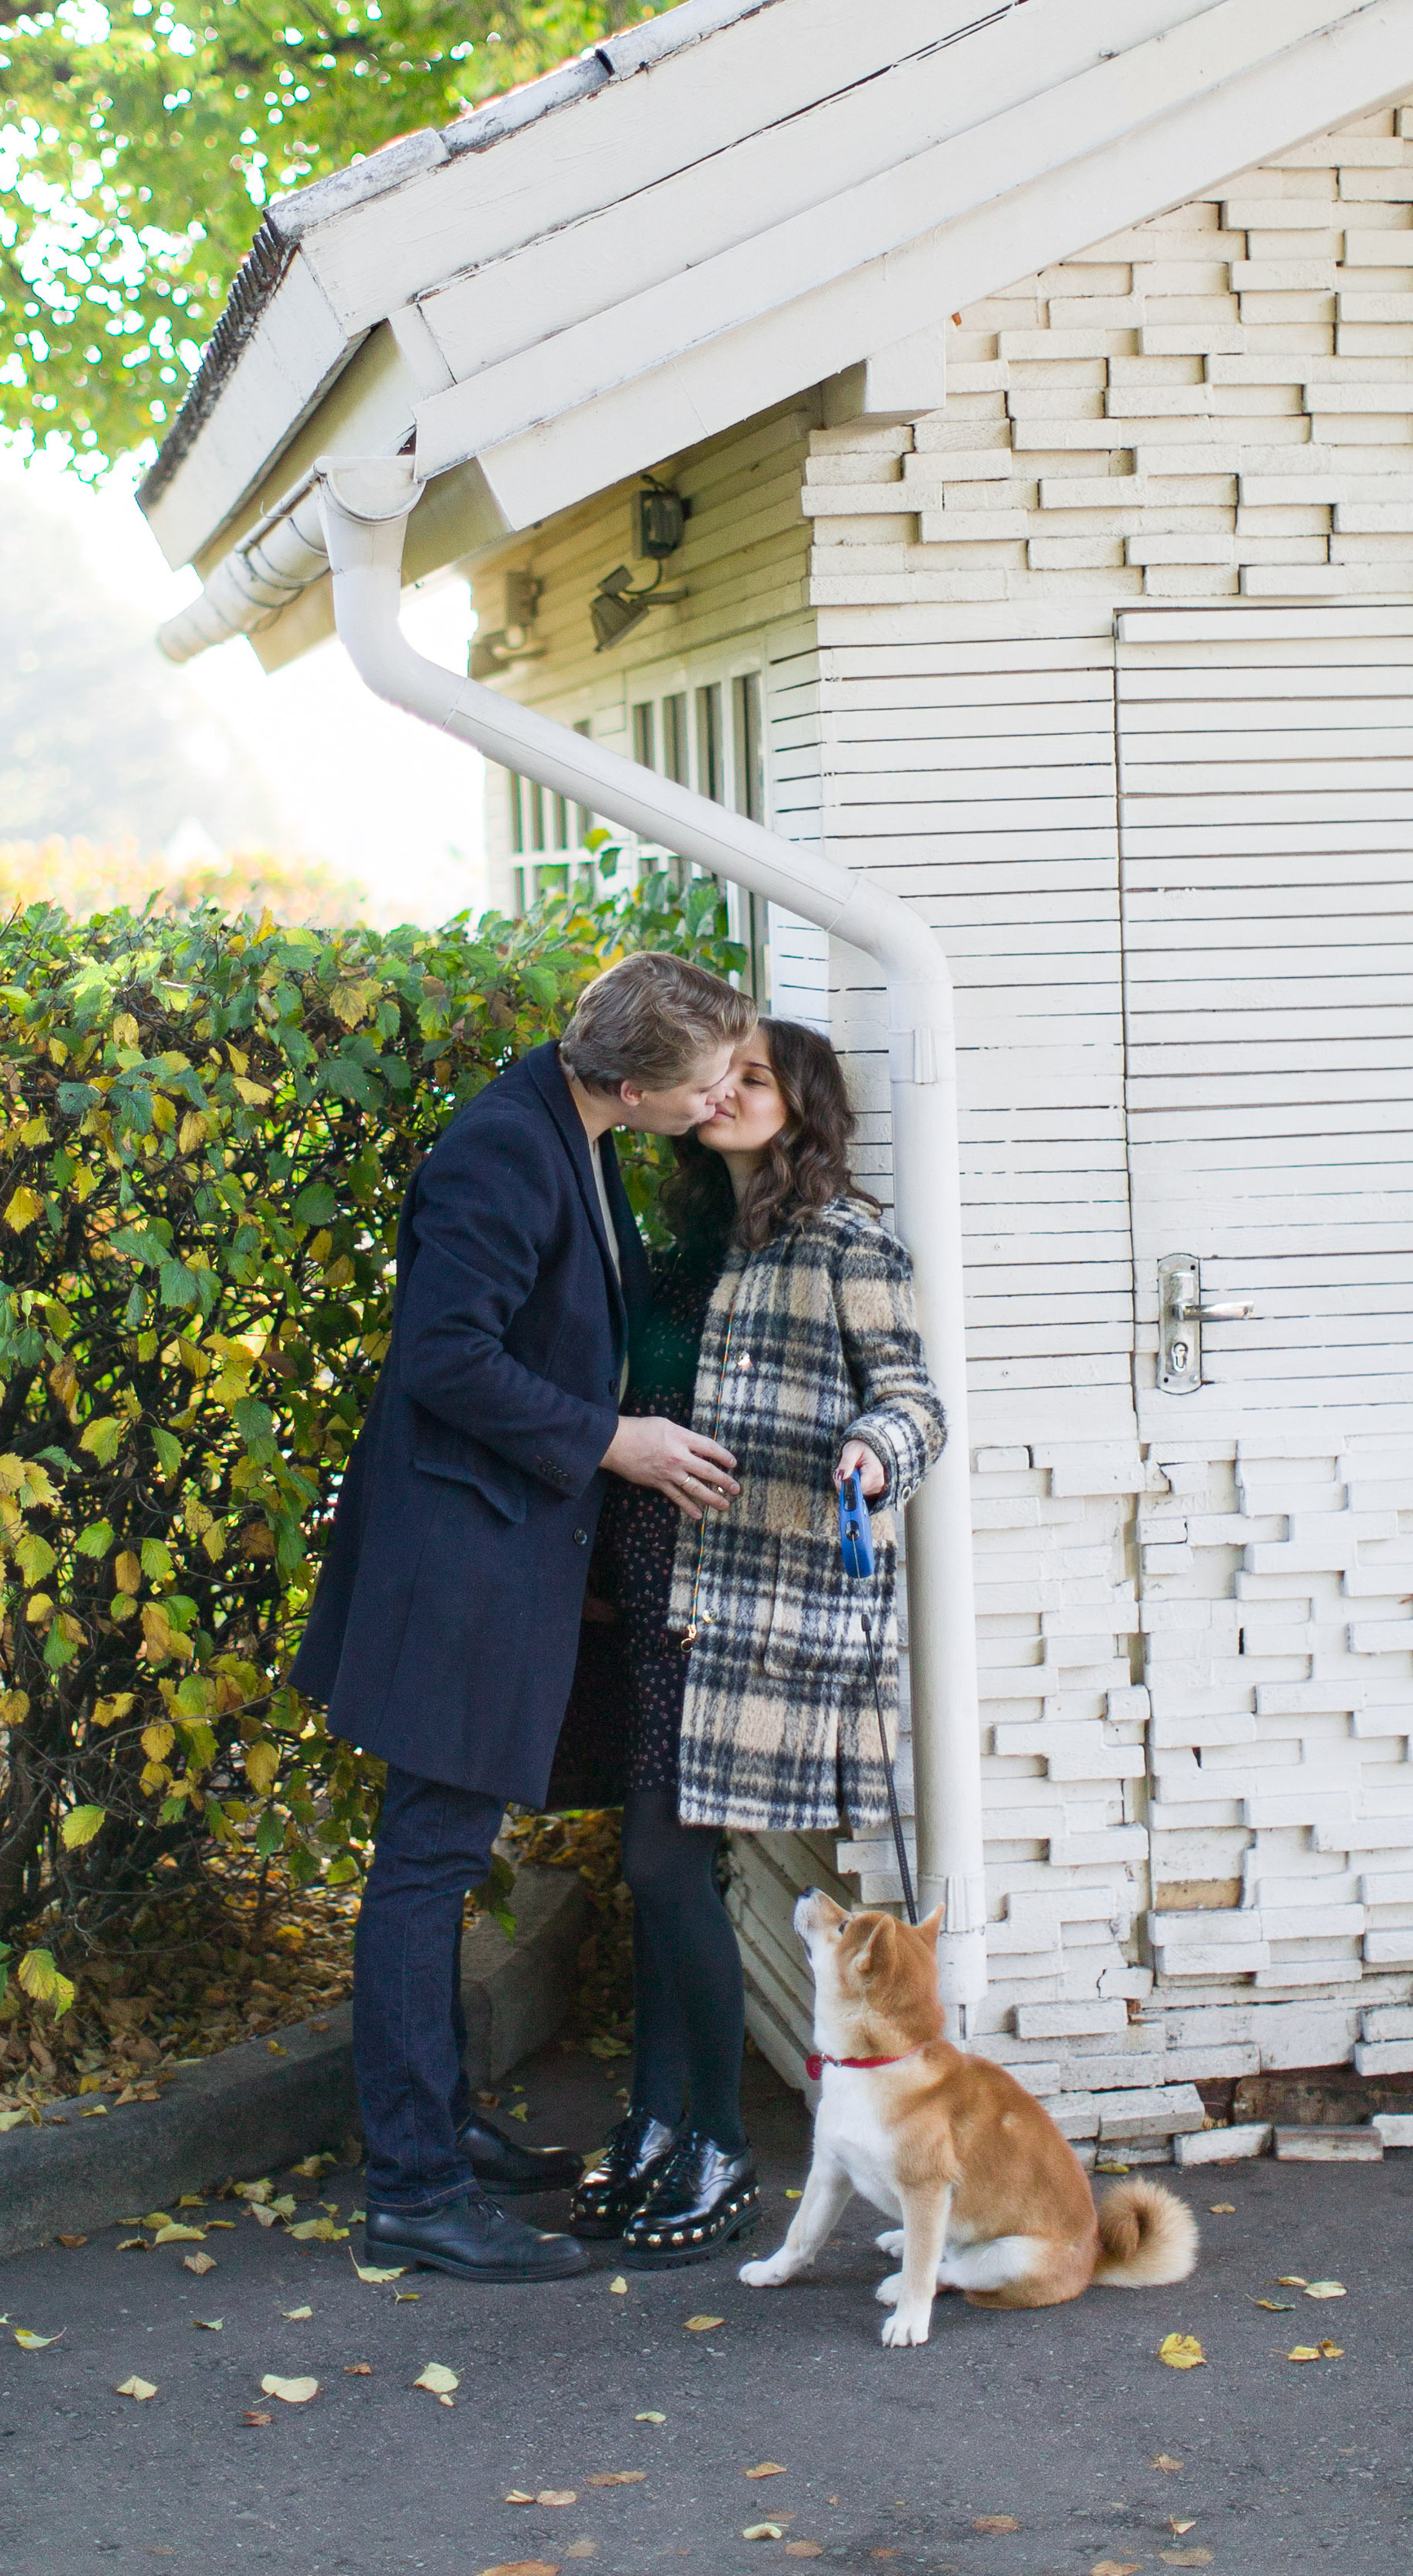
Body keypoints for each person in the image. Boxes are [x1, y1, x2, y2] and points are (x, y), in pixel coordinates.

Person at [295, 950, 757, 2282]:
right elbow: (445, 1359)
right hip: (461, 1569)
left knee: (434, 1863)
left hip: (495, 1558)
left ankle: (434, 2126)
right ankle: (417, 2192)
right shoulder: (502, 1150)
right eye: (709, 1078)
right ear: (628, 1081)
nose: (724, 1091)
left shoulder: (576, 1122)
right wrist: (612, 1441)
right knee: (424, 1869)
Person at [566, 1018, 947, 2264]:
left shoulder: (847, 1238)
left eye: (758, 1078)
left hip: (751, 1595)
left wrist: (872, 1458)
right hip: (646, 1574)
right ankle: (661, 2122)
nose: (726, 1093)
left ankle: (715, 2137)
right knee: (667, 1866)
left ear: (805, 1104)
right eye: (718, 1075)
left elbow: (916, 1399)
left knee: (663, 1864)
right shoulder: (679, 1236)